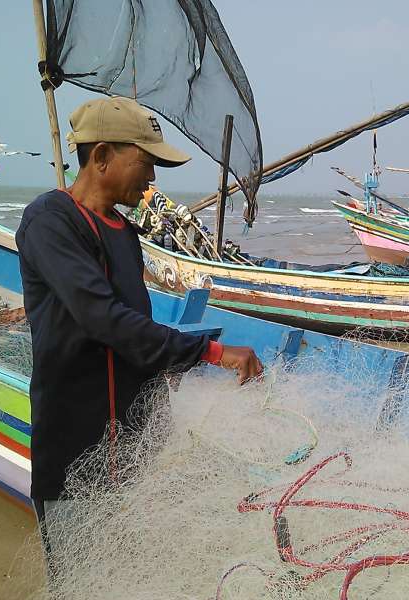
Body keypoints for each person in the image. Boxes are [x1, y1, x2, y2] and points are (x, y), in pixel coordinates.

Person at [16, 96, 263, 564]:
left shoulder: (126, 236)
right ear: (103, 156)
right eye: (146, 163)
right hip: (75, 457)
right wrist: (211, 353)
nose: (152, 178)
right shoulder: (51, 220)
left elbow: (140, 334)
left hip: (136, 454)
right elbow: (104, 320)